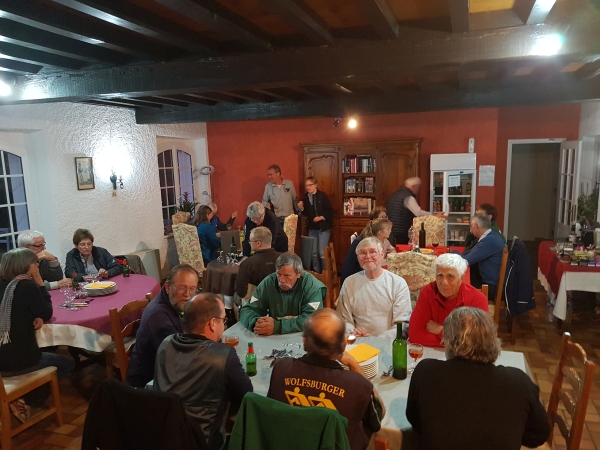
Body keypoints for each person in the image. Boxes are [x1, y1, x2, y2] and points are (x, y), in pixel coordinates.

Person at [406, 307, 551, 450]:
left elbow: (416, 422)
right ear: (493, 341)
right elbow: (539, 434)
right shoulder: (519, 382)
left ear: (449, 341)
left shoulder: (426, 371)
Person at [267, 309, 385, 450]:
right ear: (344, 344)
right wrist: (355, 365)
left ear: (304, 341)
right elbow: (378, 418)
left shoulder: (281, 368)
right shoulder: (358, 384)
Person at [154, 293, 253, 450]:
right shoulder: (222, 356)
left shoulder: (165, 344)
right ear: (213, 323)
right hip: (203, 442)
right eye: (223, 320)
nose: (224, 325)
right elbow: (247, 394)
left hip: (163, 436)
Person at [0, 248, 73, 423]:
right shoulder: (26, 285)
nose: (38, 265)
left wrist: (33, 315)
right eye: (35, 262)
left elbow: (14, 311)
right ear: (25, 266)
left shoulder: (3, 285)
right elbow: (47, 312)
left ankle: (22, 395)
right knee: (68, 363)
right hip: (18, 361)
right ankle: (29, 401)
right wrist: (40, 283)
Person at [127, 264, 199, 388]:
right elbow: (177, 356)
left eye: (192, 289)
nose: (188, 294)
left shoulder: (175, 303)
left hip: (168, 369)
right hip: (148, 383)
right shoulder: (158, 316)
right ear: (167, 287)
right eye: (182, 288)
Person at [408, 253, 489, 347]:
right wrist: (458, 341)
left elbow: (479, 342)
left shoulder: (477, 299)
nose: (444, 283)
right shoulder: (428, 292)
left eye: (450, 276)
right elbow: (414, 334)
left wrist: (441, 331)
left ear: (461, 279)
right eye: (440, 276)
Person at [337, 237, 411, 336]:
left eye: (372, 252)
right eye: (362, 253)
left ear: (382, 255)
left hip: (388, 343)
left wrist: (377, 340)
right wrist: (353, 332)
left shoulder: (398, 283)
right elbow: (343, 319)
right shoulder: (349, 283)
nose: (367, 256)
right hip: (358, 342)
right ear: (357, 257)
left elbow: (402, 324)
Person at [239, 252, 326, 335]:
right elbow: (247, 310)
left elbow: (313, 318)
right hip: (274, 337)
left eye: (287, 275)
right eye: (279, 274)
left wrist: (278, 326)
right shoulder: (268, 283)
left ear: (299, 273)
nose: (281, 280)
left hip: (302, 336)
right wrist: (256, 323)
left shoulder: (311, 286)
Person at [460, 213, 506, 300]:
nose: (470, 230)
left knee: (459, 287)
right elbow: (470, 252)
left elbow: (467, 260)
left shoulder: (489, 241)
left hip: (490, 287)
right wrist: (453, 254)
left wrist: (450, 256)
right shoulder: (491, 235)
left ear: (476, 226)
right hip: (488, 280)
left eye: (471, 226)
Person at [386, 177, 443, 245]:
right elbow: (418, 212)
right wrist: (434, 215)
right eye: (418, 188)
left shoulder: (394, 195)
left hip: (390, 230)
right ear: (414, 186)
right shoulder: (408, 197)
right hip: (401, 232)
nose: (418, 190)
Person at [340, 218, 394, 286]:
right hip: (353, 283)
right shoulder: (368, 244)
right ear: (380, 232)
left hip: (357, 276)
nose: (390, 231)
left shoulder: (371, 240)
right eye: (388, 229)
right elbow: (374, 263)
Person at [297, 176, 333, 273]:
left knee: (322, 253)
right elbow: (305, 214)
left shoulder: (322, 196)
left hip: (323, 228)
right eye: (306, 185)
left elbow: (330, 211)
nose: (308, 187)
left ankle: (325, 274)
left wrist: (321, 217)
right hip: (312, 229)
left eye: (310, 185)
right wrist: (301, 208)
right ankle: (317, 274)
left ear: (315, 185)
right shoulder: (305, 197)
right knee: (313, 253)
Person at [234, 226, 281, 299]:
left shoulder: (247, 263)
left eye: (250, 241)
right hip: (281, 301)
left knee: (236, 298)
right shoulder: (284, 259)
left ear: (258, 243)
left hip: (257, 304)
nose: (249, 243)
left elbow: (240, 291)